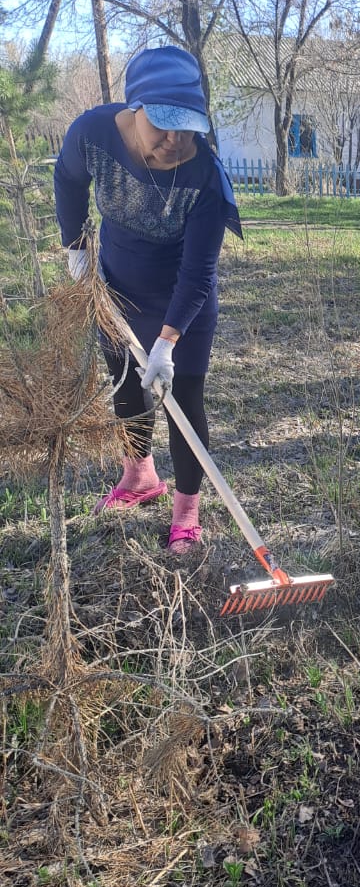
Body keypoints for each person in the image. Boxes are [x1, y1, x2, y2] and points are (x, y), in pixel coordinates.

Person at [55, 45, 242, 553]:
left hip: (184, 302)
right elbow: (68, 181)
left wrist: (166, 344)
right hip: (116, 285)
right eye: (162, 125)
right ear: (134, 109)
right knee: (124, 386)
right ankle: (139, 477)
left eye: (187, 127)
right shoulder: (91, 135)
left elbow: (199, 269)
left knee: (184, 401)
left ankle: (186, 512)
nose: (175, 140)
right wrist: (76, 249)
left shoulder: (205, 176)